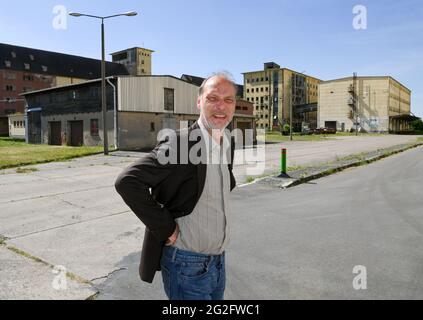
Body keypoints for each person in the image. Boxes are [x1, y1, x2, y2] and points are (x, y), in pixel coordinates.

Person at [115, 72, 237, 300]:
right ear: (199, 101)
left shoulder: (226, 142)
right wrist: (166, 228)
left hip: (218, 262)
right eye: (213, 98)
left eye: (228, 100)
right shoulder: (181, 143)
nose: (221, 106)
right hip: (187, 265)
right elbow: (128, 182)